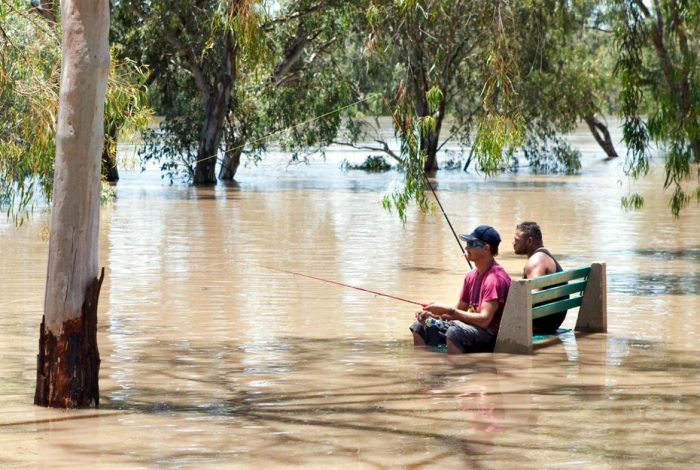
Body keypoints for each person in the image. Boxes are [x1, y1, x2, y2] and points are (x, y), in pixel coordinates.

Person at [410, 225, 512, 354]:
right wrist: (434, 314)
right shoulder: (471, 276)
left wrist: (448, 310)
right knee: (421, 325)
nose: (466, 247)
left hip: (489, 335)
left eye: (471, 243)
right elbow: (459, 311)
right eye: (466, 243)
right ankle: (426, 368)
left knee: (455, 332)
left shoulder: (495, 279)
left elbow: (485, 320)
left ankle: (455, 372)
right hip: (469, 329)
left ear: (486, 248)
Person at [512, 221, 567, 334]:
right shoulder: (544, 255)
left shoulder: (536, 261)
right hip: (552, 320)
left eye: (517, 240)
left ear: (530, 241)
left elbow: (531, 298)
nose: (513, 243)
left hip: (540, 324)